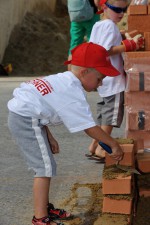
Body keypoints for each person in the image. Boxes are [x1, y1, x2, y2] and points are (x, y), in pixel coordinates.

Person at [7, 42, 124, 225]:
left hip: (29, 117)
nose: (100, 85)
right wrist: (114, 144)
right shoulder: (72, 91)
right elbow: (89, 128)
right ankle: (40, 219)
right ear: (85, 72)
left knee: (47, 165)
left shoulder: (63, 79)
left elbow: (39, 103)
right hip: (25, 120)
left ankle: (44, 208)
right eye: (100, 79)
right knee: (44, 167)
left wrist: (49, 135)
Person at [87, 0, 144, 162]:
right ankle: (100, 149)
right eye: (117, 9)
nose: (121, 13)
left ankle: (92, 146)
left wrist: (123, 35)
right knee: (111, 119)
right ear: (104, 7)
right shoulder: (110, 26)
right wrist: (128, 46)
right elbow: (104, 51)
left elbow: (99, 45)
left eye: (124, 10)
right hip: (114, 82)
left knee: (105, 116)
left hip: (104, 81)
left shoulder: (99, 24)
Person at [67, 0, 100, 70]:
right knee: (93, 44)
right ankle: (91, 72)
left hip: (75, 16)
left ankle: (70, 73)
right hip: (91, 15)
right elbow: (97, 2)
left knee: (74, 46)